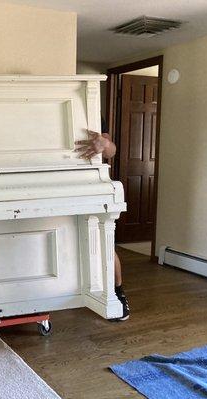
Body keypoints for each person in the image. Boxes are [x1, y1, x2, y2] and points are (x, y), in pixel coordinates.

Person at [75, 130, 130, 321]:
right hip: (72, 180)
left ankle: (117, 292)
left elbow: (111, 151)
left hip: (91, 180)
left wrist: (104, 144)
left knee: (104, 241)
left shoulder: (91, 110)